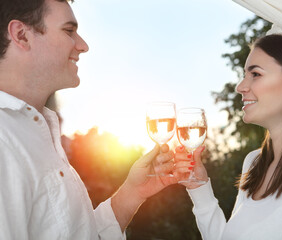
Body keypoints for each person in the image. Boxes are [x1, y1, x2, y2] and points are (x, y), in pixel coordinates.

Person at [0, 0, 177, 239]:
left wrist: (133, 192)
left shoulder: (36, 127)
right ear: (22, 35)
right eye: (69, 31)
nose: (83, 45)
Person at [174, 34, 282, 239]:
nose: (240, 87)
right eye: (245, 74)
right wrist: (199, 188)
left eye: (256, 74)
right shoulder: (254, 163)